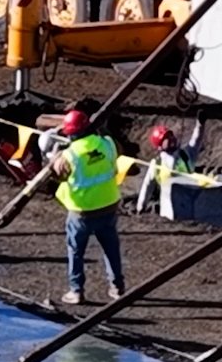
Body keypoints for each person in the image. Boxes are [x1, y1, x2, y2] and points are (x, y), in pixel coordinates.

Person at [48, 109, 125, 305]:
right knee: (111, 247)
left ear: (71, 133)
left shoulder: (69, 156)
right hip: (108, 206)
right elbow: (118, 151)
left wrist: (54, 158)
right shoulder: (108, 144)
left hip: (82, 212)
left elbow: (56, 174)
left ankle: (76, 290)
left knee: (75, 250)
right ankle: (117, 287)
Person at [135, 124, 195, 216]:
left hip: (191, 204)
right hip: (169, 211)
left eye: (171, 136)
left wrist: (200, 125)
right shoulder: (157, 163)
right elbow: (147, 186)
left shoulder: (184, 155)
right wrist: (141, 207)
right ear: (160, 145)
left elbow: (196, 141)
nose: (171, 139)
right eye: (166, 138)